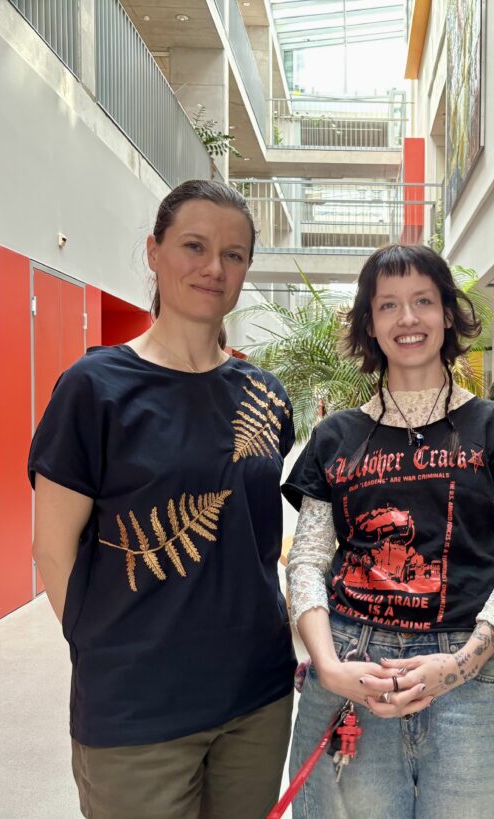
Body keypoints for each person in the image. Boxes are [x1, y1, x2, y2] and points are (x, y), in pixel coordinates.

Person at [28, 180, 296, 819]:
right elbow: (52, 548)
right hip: (137, 706)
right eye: (194, 246)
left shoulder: (266, 395)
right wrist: (107, 652)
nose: (213, 268)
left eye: (233, 255)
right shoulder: (94, 389)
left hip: (255, 696)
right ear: (153, 251)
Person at [282, 243, 494, 819]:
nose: (408, 319)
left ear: (449, 315)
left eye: (423, 302)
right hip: (353, 666)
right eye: (388, 305)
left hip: (470, 675)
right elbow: (307, 558)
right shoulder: (335, 436)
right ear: (369, 324)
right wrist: (327, 667)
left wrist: (462, 662)